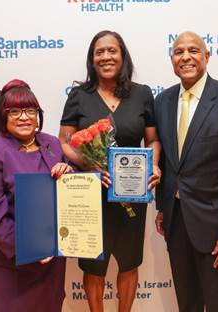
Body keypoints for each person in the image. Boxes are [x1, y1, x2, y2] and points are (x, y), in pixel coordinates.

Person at [154, 31, 218, 312]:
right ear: (172, 59)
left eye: (193, 50)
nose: (185, 57)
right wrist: (162, 207)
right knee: (186, 304)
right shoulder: (162, 102)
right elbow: (166, 161)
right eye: (178, 52)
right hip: (176, 226)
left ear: (206, 56)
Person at [59, 30, 161, 312]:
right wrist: (88, 164)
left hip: (132, 193)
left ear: (122, 55)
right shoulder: (80, 95)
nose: (106, 57)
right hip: (91, 194)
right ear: (92, 60)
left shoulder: (142, 94)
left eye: (112, 51)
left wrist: (152, 165)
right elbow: (64, 141)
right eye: (99, 52)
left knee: (129, 263)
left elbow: (152, 140)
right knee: (94, 266)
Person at [0, 79, 72, 312]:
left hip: (51, 259)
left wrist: (69, 171)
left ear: (38, 114)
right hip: (11, 258)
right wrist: (28, 248)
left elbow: (66, 187)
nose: (24, 117)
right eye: (14, 111)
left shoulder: (52, 144)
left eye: (30, 110)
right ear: (4, 116)